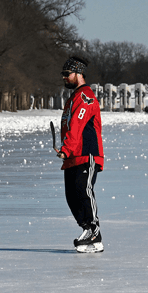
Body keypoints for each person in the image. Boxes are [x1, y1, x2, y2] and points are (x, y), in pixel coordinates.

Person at [57, 56, 104, 253]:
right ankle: (88, 232)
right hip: (72, 155)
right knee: (71, 196)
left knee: (83, 191)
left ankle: (94, 231)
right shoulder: (72, 98)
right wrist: (66, 150)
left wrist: (66, 148)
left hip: (86, 153)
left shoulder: (85, 97)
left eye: (67, 74)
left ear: (78, 74)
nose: (64, 78)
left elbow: (77, 126)